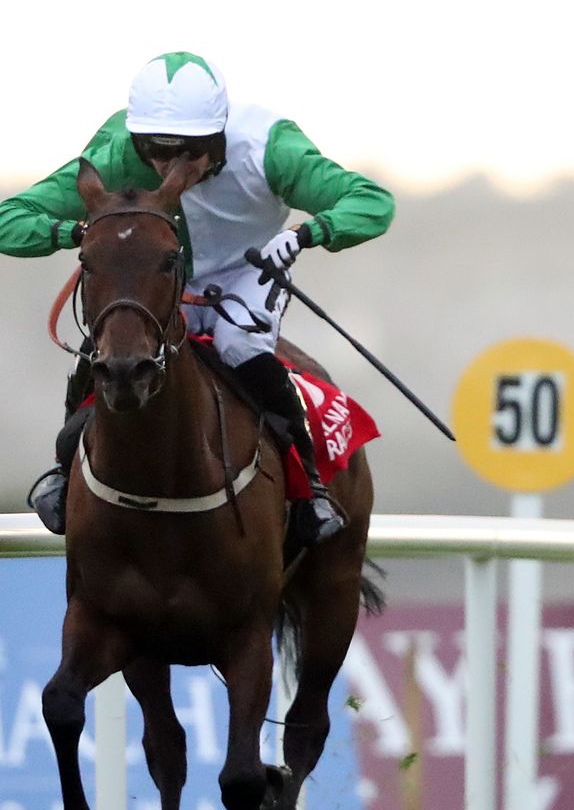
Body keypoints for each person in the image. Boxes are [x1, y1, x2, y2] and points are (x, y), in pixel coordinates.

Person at [0, 50, 395, 542]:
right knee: (110, 344)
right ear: (137, 138)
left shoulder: (271, 147)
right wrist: (76, 232)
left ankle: (309, 486)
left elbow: (372, 201)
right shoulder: (117, 152)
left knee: (238, 345)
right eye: (154, 150)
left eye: (188, 151)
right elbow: (9, 218)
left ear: (218, 134)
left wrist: (306, 234)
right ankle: (64, 472)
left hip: (249, 269)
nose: (169, 166)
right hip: (161, 274)